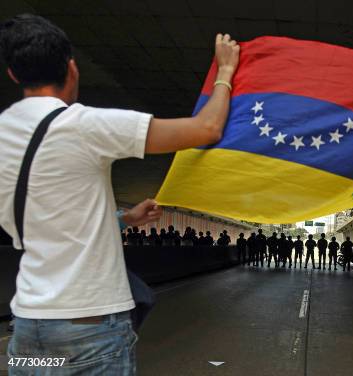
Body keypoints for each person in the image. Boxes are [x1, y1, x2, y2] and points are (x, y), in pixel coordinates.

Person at [0, 14, 240, 375]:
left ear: (14, 76)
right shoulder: (82, 125)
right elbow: (206, 129)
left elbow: (47, 221)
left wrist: (125, 219)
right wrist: (225, 70)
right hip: (89, 331)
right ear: (72, 68)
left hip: (28, 330)